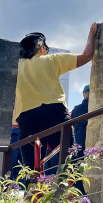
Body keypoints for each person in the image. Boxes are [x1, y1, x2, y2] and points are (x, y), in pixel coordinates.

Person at [13, 23, 97, 173]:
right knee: (68, 161)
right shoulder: (52, 60)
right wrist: (91, 34)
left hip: (27, 118)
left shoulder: (15, 67)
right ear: (40, 46)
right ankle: (66, 194)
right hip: (54, 112)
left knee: (32, 170)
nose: (47, 50)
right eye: (46, 47)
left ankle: (35, 193)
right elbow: (87, 56)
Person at [70, 84, 90, 152]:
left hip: (79, 143)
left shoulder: (76, 109)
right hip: (92, 143)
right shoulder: (97, 107)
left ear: (84, 94)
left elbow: (72, 124)